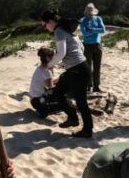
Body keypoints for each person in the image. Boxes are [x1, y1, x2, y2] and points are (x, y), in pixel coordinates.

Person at [40, 10, 94, 138]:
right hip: (79, 68)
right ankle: (73, 119)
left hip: (78, 71)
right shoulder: (69, 30)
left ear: (50, 21)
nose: (45, 27)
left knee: (81, 102)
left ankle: (87, 130)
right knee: (58, 92)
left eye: (44, 24)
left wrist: (49, 65)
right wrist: (67, 62)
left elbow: (61, 53)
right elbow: (81, 48)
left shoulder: (59, 31)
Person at [79, 3, 106, 93]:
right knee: (88, 67)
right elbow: (84, 33)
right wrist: (95, 30)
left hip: (97, 45)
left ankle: (96, 86)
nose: (90, 13)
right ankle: (88, 85)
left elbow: (103, 30)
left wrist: (91, 29)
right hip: (87, 45)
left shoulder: (98, 18)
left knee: (97, 67)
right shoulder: (82, 20)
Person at [29, 47, 62, 117]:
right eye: (53, 58)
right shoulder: (47, 71)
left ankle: (45, 110)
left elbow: (48, 83)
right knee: (64, 103)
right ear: (48, 58)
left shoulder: (39, 68)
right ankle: (45, 111)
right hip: (39, 102)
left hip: (34, 99)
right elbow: (51, 87)